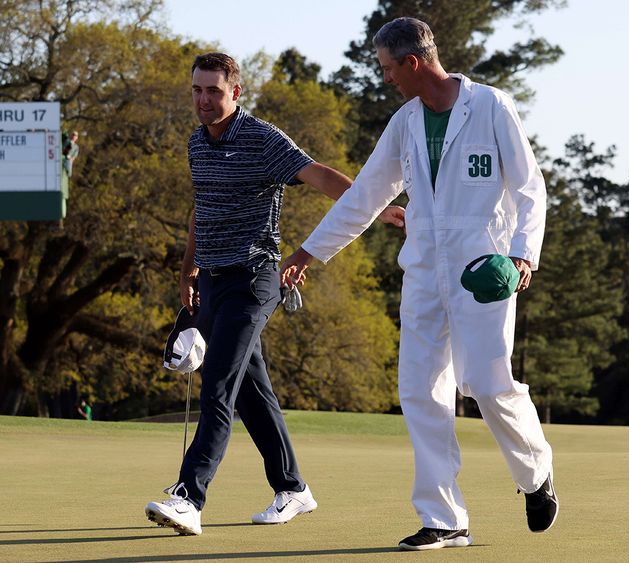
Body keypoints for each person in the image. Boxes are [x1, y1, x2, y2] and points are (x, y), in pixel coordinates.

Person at [281, 18, 558, 551]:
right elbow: (364, 196)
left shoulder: (493, 107)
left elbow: (529, 188)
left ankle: (536, 473)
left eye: (387, 68)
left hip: (484, 271)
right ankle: (444, 517)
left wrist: (523, 256)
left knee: (487, 385)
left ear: (412, 63)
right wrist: (308, 253)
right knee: (419, 390)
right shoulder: (404, 122)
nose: (385, 79)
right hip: (424, 272)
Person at [144, 52, 403, 537]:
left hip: (257, 278)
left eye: (213, 91)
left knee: (218, 380)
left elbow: (317, 172)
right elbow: (202, 209)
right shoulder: (196, 144)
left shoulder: (262, 138)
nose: (203, 100)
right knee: (250, 391)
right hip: (214, 281)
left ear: (235, 93)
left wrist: (376, 206)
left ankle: (188, 497)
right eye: (197, 91)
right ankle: (293, 488)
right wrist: (188, 269)